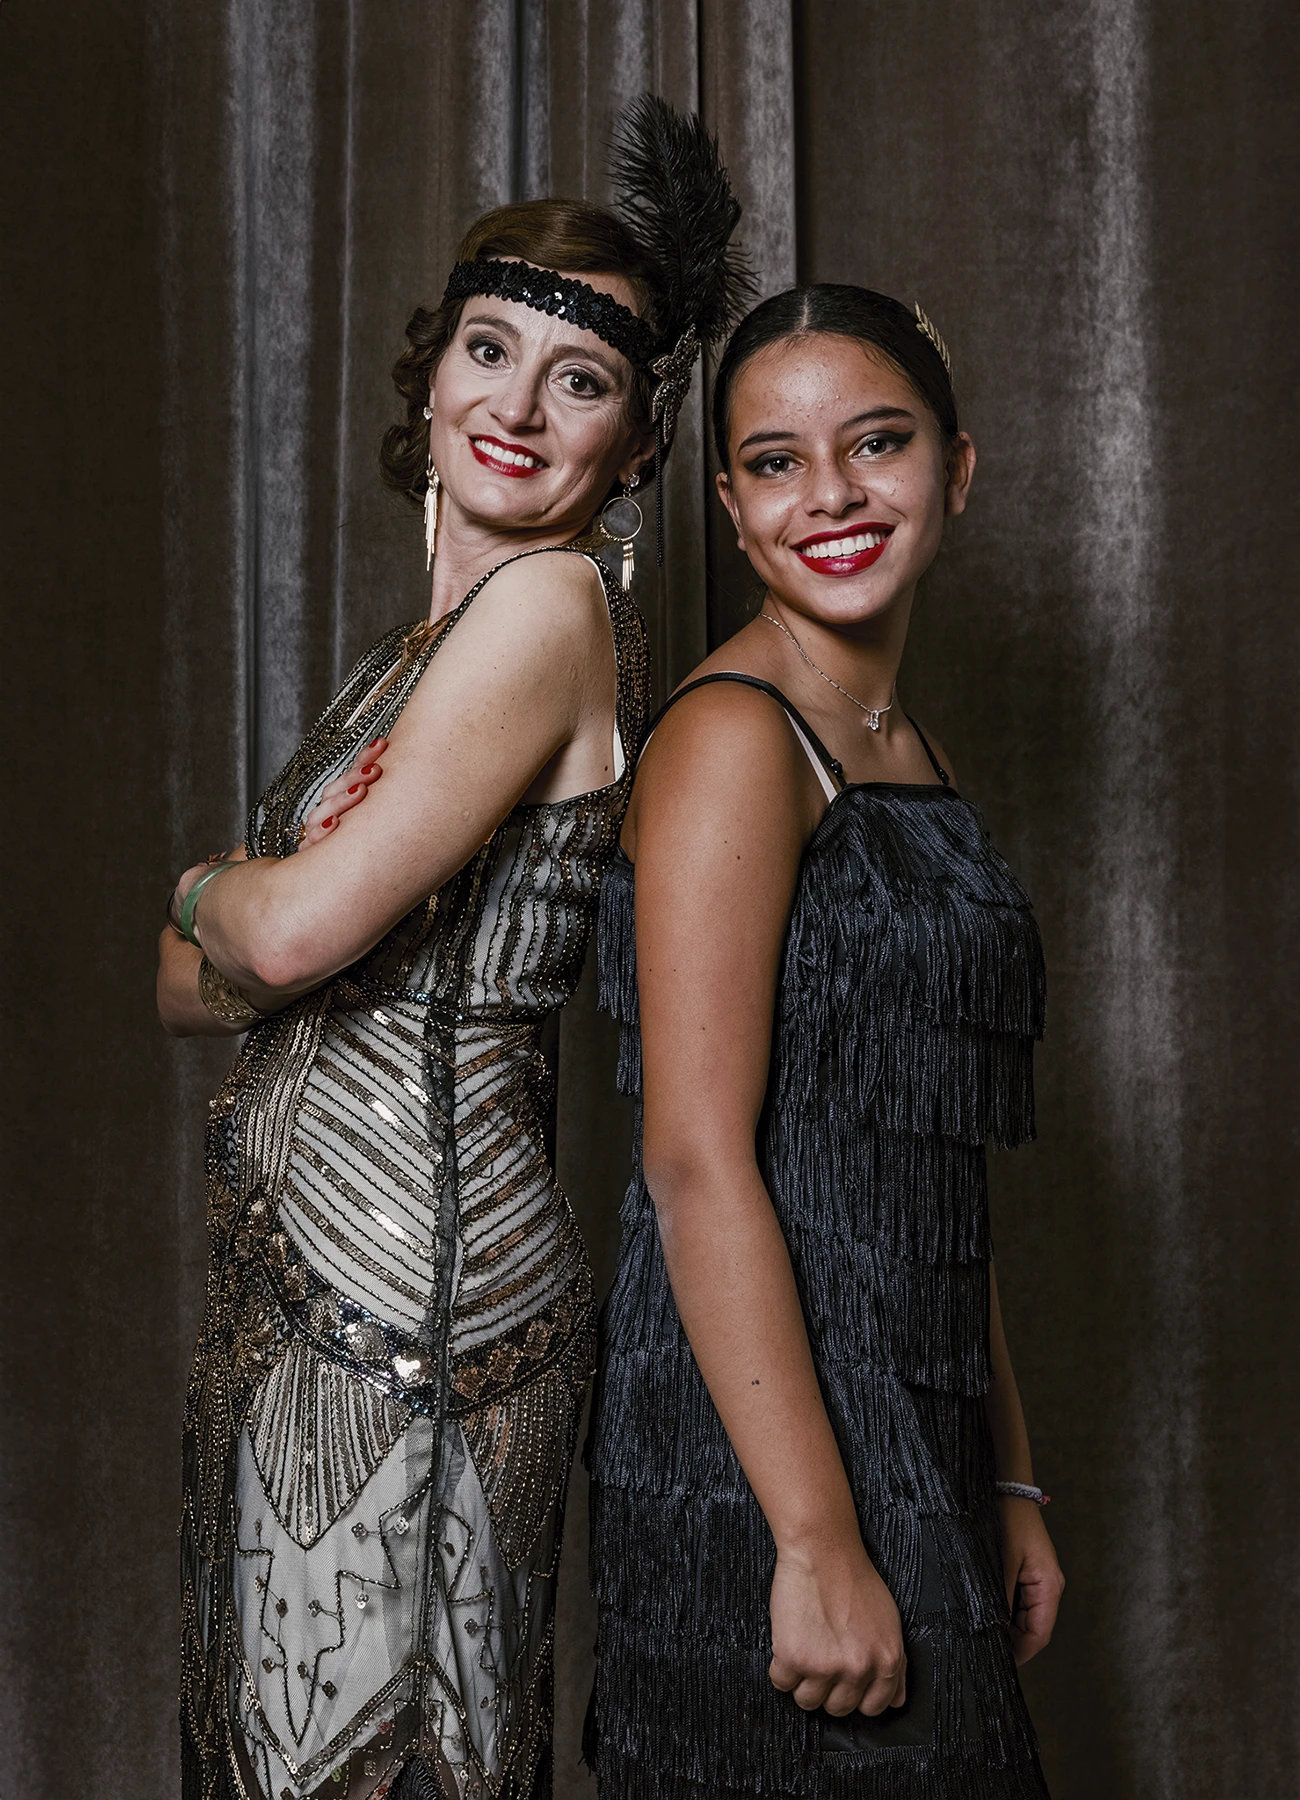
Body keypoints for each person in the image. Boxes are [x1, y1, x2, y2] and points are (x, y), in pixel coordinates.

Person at [158, 97, 752, 1800]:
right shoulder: (405, 664)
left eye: (579, 382)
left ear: (634, 449)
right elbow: (196, 992)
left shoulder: (550, 610)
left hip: (411, 1317)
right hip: (301, 1297)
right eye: (489, 350)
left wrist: (213, 884)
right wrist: (243, 926)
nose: (517, 403)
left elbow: (292, 927)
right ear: (429, 378)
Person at [585, 284, 1064, 1798]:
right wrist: (814, 1537)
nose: (835, 496)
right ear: (729, 505)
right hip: (764, 1432)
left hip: (912, 1405)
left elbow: (924, 1148)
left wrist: (1007, 1469)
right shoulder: (735, 738)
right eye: (777, 462)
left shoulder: (897, 738)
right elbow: (692, 1156)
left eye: (878, 443)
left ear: (958, 466)